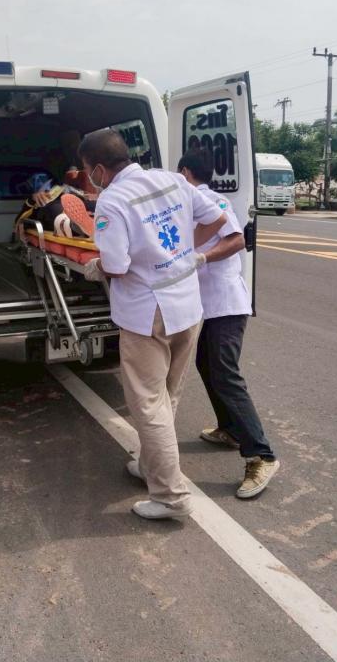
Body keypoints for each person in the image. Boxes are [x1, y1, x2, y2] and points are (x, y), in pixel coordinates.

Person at [79, 129, 227, 520]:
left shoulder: (112, 200)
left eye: (87, 170)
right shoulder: (171, 179)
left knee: (147, 403)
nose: (89, 177)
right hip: (187, 305)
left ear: (98, 169)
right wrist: (181, 251)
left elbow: (116, 265)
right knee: (168, 395)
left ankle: (170, 496)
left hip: (148, 314)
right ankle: (150, 466)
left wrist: (96, 267)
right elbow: (217, 219)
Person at [177, 150, 280, 498]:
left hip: (226, 304)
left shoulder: (211, 200)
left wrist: (202, 256)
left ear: (185, 172)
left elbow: (236, 240)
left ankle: (261, 455)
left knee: (226, 374)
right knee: (206, 364)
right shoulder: (192, 201)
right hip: (209, 306)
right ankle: (231, 429)